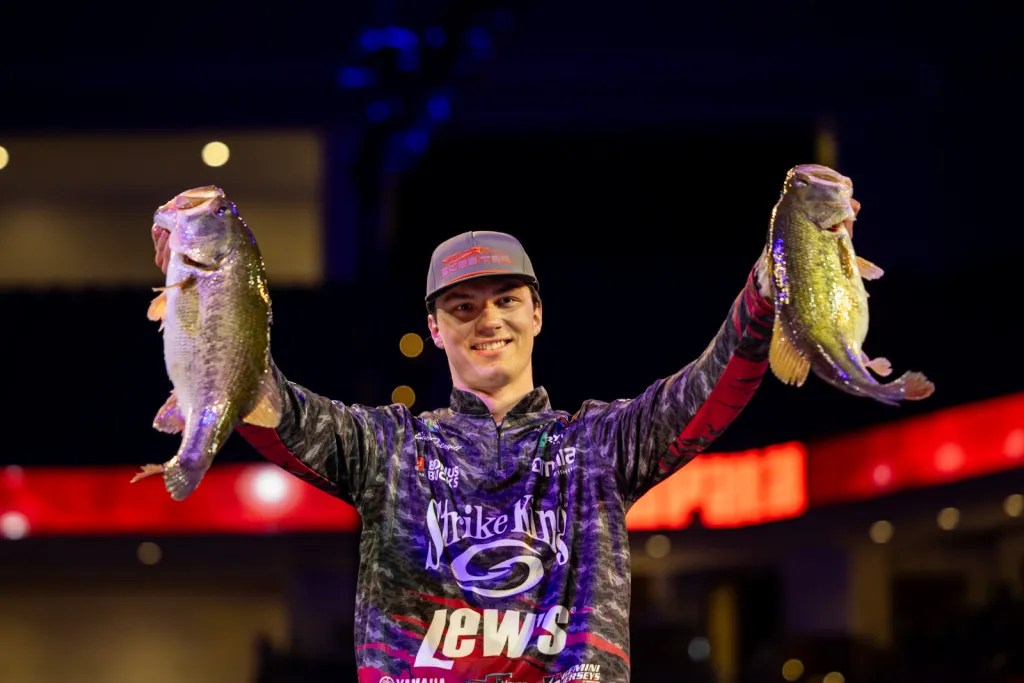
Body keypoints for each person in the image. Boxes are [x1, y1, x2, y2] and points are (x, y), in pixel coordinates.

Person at [151, 195, 854, 682]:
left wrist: (772, 284)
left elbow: (713, 387)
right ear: (435, 328)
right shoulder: (387, 449)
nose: (488, 320)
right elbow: (267, 405)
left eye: (506, 299)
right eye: (463, 306)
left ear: (537, 313)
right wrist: (210, 288)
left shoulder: (600, 444)